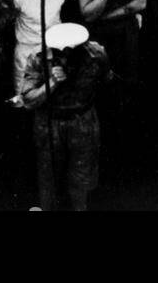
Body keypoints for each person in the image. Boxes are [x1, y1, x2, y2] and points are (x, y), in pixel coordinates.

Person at [18, 22, 110, 211]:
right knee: (49, 176)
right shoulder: (38, 57)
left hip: (83, 122)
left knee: (81, 177)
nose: (64, 57)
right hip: (50, 124)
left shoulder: (96, 53)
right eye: (59, 53)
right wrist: (51, 84)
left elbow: (106, 79)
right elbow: (28, 100)